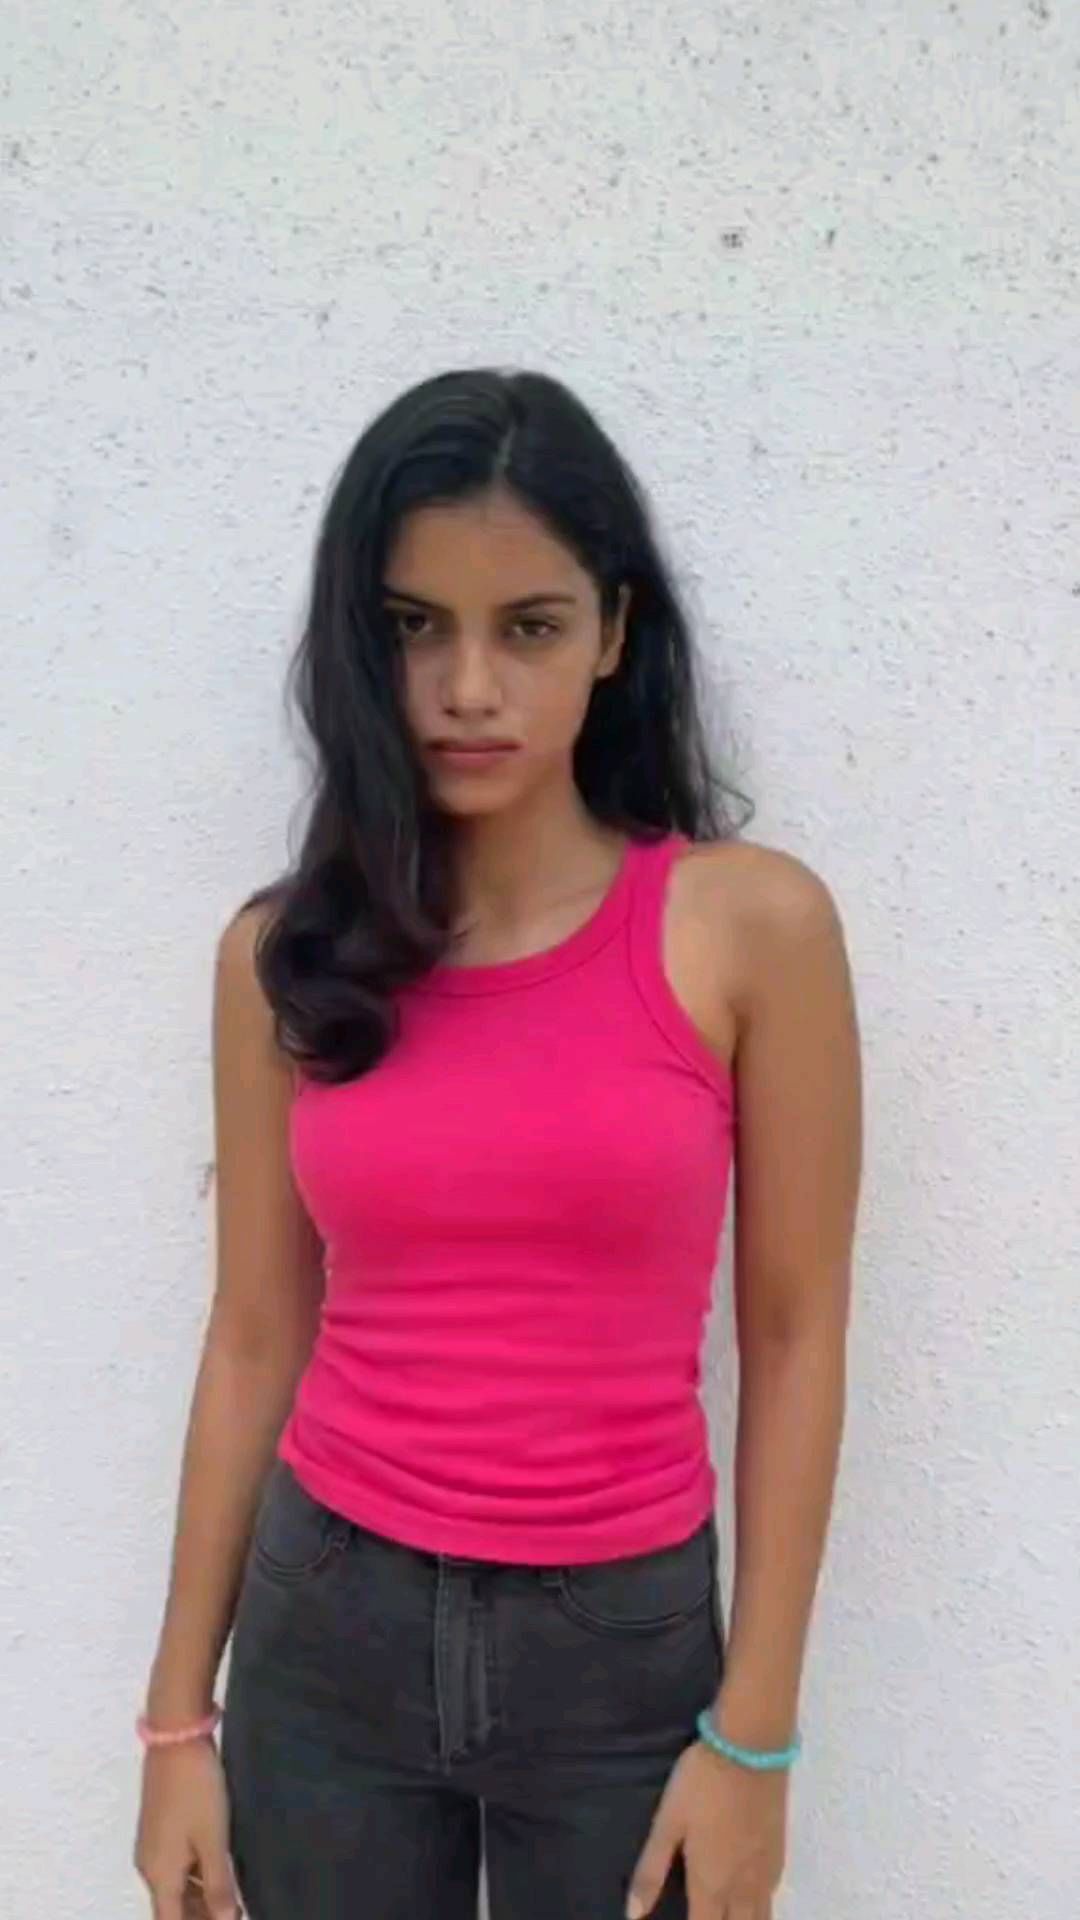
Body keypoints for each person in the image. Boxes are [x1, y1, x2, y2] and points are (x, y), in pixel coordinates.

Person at [134, 367, 862, 1920]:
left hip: (623, 1656)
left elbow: (797, 1333)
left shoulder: (751, 930)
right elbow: (255, 1333)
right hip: (324, 1627)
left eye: (528, 626)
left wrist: (756, 1738)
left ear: (612, 632)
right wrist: (176, 1723)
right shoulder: (284, 956)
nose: (469, 687)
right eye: (417, 626)